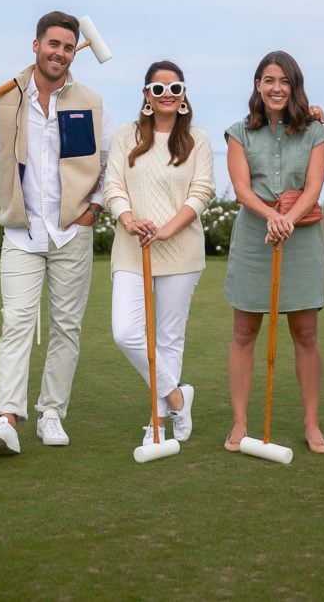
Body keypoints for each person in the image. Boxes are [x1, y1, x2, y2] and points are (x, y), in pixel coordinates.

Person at [0, 11, 113, 455]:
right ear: (36, 46)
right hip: (22, 233)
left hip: (72, 232)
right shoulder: (7, 99)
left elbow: (110, 165)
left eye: (69, 47)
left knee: (66, 328)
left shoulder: (90, 101)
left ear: (76, 52)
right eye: (54, 44)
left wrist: (92, 210)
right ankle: (7, 417)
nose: (61, 53)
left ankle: (52, 413)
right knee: (16, 322)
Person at [223, 51, 324, 454]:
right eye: (269, 80)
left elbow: (313, 188)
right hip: (254, 238)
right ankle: (239, 424)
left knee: (305, 334)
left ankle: (312, 424)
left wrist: (287, 219)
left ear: (294, 87)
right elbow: (241, 190)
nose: (276, 88)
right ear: (257, 85)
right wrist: (272, 216)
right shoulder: (238, 132)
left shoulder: (316, 132)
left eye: (284, 81)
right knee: (243, 333)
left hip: (301, 239)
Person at [104, 60, 216, 446]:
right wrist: (129, 218)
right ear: (146, 96)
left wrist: (166, 230)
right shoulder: (125, 136)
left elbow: (201, 192)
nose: (167, 94)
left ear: (183, 95)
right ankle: (176, 397)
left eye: (174, 88)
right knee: (126, 333)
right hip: (132, 247)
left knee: (169, 340)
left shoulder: (197, 140)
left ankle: (159, 421)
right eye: (158, 89)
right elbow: (112, 186)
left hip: (181, 251)